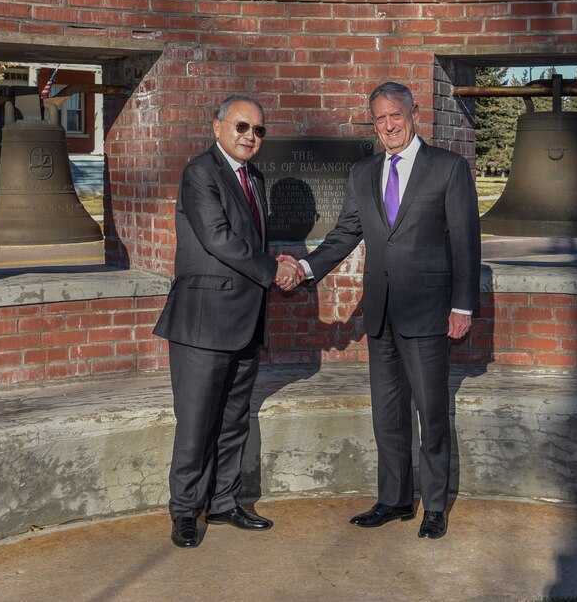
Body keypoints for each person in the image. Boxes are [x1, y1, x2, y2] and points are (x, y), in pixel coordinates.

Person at [294, 81, 480, 539]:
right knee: (388, 414)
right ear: (373, 123)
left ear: (414, 114)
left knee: (432, 414)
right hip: (380, 313)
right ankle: (394, 500)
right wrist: (305, 268)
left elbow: (465, 242)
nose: (389, 125)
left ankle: (434, 506)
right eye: (380, 118)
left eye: (396, 114)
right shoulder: (364, 172)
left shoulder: (448, 168)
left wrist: (462, 306)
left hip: (429, 312)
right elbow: (344, 234)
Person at [153, 95, 302, 548]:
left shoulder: (254, 177)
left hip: (245, 320)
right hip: (203, 324)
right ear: (217, 127)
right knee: (196, 423)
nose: (250, 137)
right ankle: (185, 511)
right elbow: (218, 238)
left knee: (234, 419)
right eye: (241, 126)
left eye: (258, 130)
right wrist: (273, 270)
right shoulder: (200, 173)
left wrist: (277, 264)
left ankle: (223, 502)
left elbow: (250, 243)